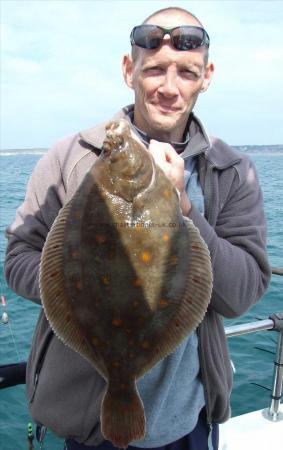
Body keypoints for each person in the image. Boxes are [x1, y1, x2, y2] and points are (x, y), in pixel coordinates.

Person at [4, 6, 271, 450]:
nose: (169, 87)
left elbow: (241, 294)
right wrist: (79, 283)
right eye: (155, 70)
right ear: (130, 70)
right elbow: (18, 260)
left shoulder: (231, 171)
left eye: (186, 72)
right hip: (88, 430)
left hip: (187, 422)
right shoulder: (68, 157)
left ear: (207, 76)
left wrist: (184, 207)